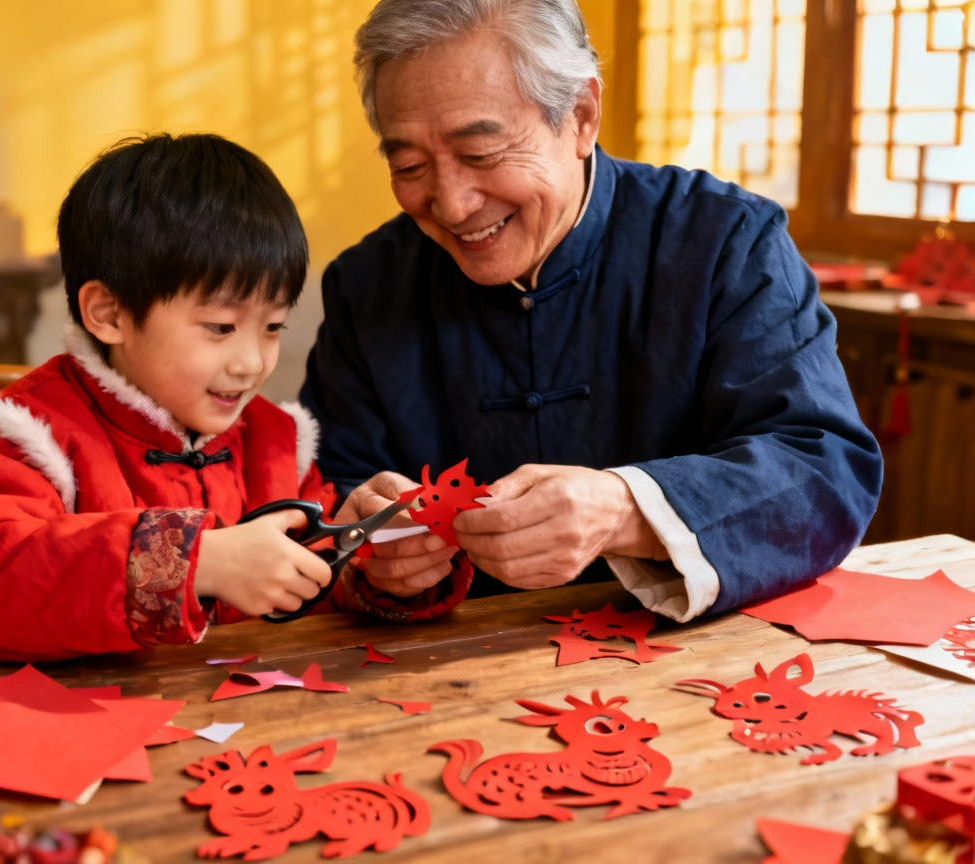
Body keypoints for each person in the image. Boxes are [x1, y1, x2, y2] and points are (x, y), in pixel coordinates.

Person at [299, 0, 883, 622]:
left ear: (580, 116)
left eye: (481, 154)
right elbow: (323, 498)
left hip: (698, 664)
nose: (451, 203)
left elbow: (822, 468)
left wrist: (628, 509)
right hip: (448, 672)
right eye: (409, 166)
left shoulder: (725, 242)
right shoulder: (367, 286)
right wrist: (367, 548)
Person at [0, 133, 471, 662]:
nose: (252, 362)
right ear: (109, 314)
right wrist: (193, 562)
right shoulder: (26, 438)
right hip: (54, 737)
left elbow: (306, 592)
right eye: (221, 327)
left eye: (272, 327)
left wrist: (368, 563)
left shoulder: (271, 441)